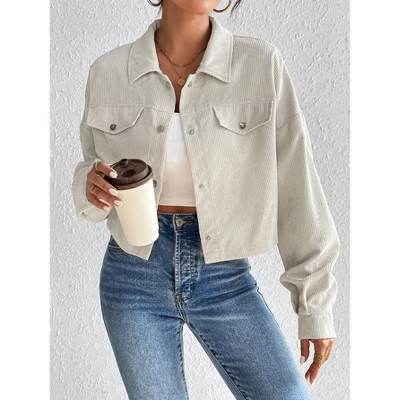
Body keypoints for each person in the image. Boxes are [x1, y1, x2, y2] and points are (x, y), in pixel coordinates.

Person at [71, 1, 340, 398]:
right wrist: (89, 185)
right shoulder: (108, 71)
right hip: (133, 275)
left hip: (224, 276)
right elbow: (90, 169)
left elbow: (298, 186)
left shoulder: (260, 64)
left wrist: (314, 306)